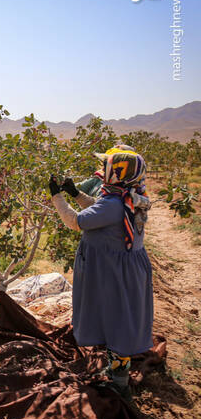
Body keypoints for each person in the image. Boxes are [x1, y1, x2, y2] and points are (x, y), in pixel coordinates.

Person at [49, 150, 153, 400]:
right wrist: (76, 194)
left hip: (112, 271)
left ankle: (119, 384)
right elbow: (99, 210)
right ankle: (118, 371)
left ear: (117, 173)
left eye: (107, 166)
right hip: (122, 270)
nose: (102, 170)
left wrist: (57, 197)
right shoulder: (130, 197)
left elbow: (76, 221)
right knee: (117, 315)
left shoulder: (114, 204)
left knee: (116, 319)